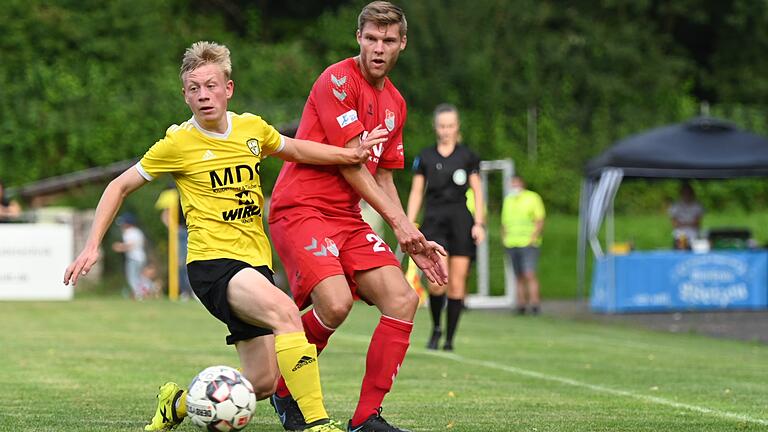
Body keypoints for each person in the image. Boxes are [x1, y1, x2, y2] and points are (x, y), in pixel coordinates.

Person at [63, 41, 389, 432]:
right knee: (288, 313)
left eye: (211, 85)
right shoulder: (177, 144)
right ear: (184, 95)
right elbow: (118, 186)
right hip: (213, 264)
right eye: (194, 88)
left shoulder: (251, 128)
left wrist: (348, 156)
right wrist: (92, 245)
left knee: (263, 382)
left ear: (228, 88)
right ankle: (318, 424)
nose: (204, 95)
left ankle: (178, 404)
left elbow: (297, 149)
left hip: (254, 264)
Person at [267, 3, 448, 432]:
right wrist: (401, 226)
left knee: (404, 300)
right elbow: (352, 163)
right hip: (301, 208)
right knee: (335, 303)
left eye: (388, 40)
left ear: (402, 43)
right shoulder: (337, 80)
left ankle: (366, 419)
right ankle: (284, 388)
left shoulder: (396, 105)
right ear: (359, 38)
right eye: (371, 38)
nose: (378, 48)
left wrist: (412, 235)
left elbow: (383, 176)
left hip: (346, 218)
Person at [405, 103, 485, 351]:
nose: (446, 130)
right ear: (436, 127)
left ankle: (450, 338)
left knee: (458, 282)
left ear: (457, 127)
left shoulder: (467, 156)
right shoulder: (426, 156)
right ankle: (436, 327)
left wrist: (479, 223)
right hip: (435, 221)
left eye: (450, 126)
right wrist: (408, 224)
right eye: (442, 126)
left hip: (461, 221)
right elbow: (417, 192)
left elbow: (478, 192)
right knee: (438, 281)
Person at [501, 175, 545, 315]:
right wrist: (504, 238)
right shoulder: (508, 200)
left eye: (516, 183)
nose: (514, 187)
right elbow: (504, 222)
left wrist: (533, 237)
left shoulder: (532, 198)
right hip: (512, 242)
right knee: (518, 275)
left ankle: (534, 303)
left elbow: (539, 219)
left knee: (529, 273)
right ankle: (521, 304)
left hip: (528, 243)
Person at [155, 185, 194, 300]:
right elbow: (165, 215)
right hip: (182, 231)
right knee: (181, 262)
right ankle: (186, 292)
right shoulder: (173, 195)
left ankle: (191, 291)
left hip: (191, 230)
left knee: (190, 262)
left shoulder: (188, 192)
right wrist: (174, 229)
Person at [112, 212, 150, 300]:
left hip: (134, 258)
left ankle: (139, 294)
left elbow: (130, 245)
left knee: (132, 277)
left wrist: (119, 247)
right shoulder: (138, 232)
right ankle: (144, 291)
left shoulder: (129, 232)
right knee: (140, 277)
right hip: (141, 257)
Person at [668, 182, 704, 250]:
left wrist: (682, 223)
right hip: (679, 236)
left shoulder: (697, 206)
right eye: (685, 193)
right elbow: (674, 224)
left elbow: (697, 223)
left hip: (694, 235)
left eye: (688, 193)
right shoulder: (675, 206)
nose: (687, 195)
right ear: (681, 194)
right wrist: (689, 223)